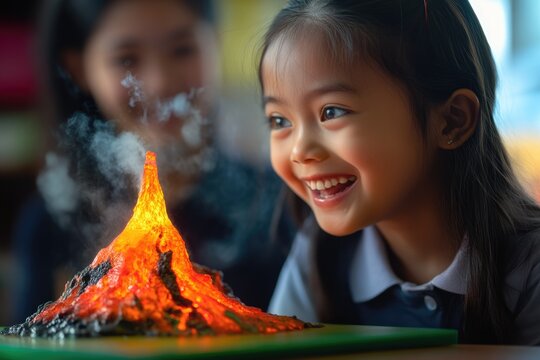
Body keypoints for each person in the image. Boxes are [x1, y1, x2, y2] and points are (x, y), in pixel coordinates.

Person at [258, 0, 540, 345]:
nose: (300, 151)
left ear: (452, 120)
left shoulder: (529, 269)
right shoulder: (318, 257)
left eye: (332, 111)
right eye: (279, 120)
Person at [11, 0, 292, 323]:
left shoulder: (277, 205)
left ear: (215, 43)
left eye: (182, 50)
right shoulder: (48, 227)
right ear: (79, 68)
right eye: (127, 59)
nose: (159, 82)